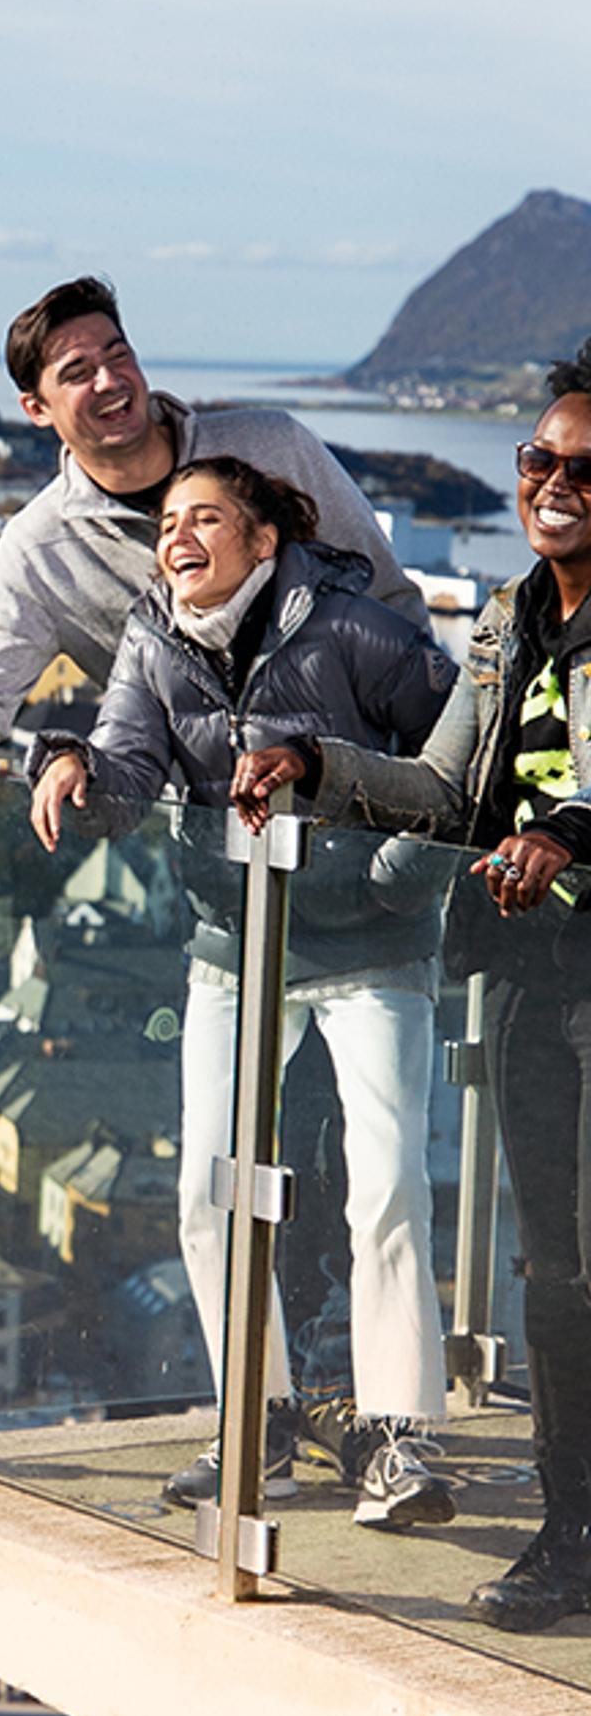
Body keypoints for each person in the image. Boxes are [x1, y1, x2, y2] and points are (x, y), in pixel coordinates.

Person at [29, 458, 459, 1527]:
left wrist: (394, 872)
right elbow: (129, 766)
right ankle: (256, 1422)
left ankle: (400, 1438)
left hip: (369, 941)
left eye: (203, 518)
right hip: (236, 939)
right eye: (166, 521)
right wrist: (71, 762)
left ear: (261, 541)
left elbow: (459, 758)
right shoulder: (152, 636)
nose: (176, 537)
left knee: (388, 1184)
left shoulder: (355, 629)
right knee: (208, 1190)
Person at [236, 349, 591, 1628]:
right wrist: (309, 764)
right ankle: (568, 1533)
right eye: (536, 459)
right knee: (552, 1269)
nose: (552, 484)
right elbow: (444, 793)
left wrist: (566, 834)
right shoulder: (503, 623)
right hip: (534, 984)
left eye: (581, 469)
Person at [0, 277, 428, 803]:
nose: (110, 381)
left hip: (365, 819)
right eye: (77, 372)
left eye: (118, 355)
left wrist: (417, 787)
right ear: (36, 410)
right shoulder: (38, 550)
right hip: (213, 853)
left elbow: (392, 604)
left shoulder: (274, 447)